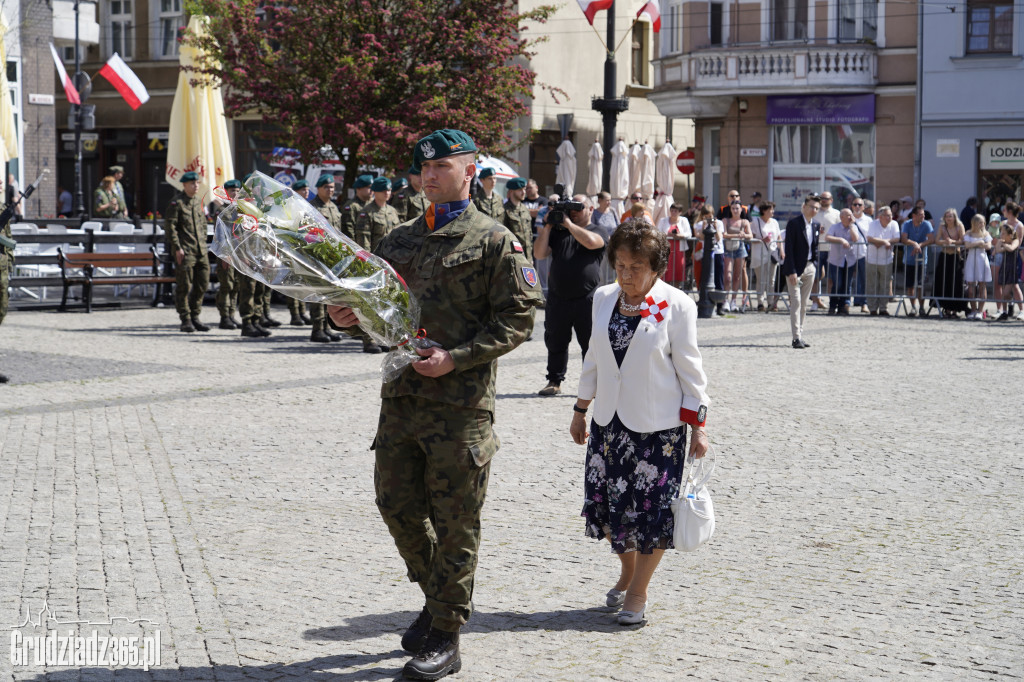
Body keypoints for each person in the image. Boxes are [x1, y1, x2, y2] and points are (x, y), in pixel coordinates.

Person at [326, 129, 542, 680]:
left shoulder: (495, 240)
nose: (428, 176)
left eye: (442, 166)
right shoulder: (397, 240)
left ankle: (446, 633)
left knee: (456, 521)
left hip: (461, 406)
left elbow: (518, 320)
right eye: (423, 168)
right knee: (395, 505)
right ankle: (440, 597)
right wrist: (344, 318)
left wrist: (458, 357)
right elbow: (375, 314)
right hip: (401, 399)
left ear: (469, 171)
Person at [570, 218, 710, 625]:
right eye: (620, 265)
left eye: (636, 267)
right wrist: (580, 409)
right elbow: (594, 358)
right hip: (608, 425)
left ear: (656, 267)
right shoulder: (603, 297)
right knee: (611, 511)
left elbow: (692, 373)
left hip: (657, 430)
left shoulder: (676, 305)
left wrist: (699, 425)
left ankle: (639, 590)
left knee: (651, 515)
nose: (626, 275)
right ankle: (627, 570)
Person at [534, 194, 606, 396]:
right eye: (571, 207)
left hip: (587, 298)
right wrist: (548, 226)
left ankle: (592, 384)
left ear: (591, 209)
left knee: (590, 344)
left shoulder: (597, 230)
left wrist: (568, 224)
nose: (573, 211)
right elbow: (539, 254)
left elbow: (593, 243)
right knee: (555, 341)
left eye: (579, 207)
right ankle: (554, 381)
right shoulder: (558, 232)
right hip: (558, 298)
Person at [165, 171, 210, 333]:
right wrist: (177, 247)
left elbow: (203, 224)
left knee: (203, 283)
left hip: (201, 250)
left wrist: (203, 241)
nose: (196, 186)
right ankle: (185, 319)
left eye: (197, 183)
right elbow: (170, 227)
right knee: (184, 285)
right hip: (185, 251)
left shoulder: (199, 201)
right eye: (192, 183)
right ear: (184, 185)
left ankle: (195, 315)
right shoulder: (176, 203)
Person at [307, 174, 347, 344]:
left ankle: (326, 327)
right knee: (319, 293)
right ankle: (317, 328)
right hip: (318, 257)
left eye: (332, 187)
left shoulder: (334, 207)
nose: (330, 190)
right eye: (327, 187)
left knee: (331, 294)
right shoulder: (311, 207)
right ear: (318, 188)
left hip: (333, 258)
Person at [782, 195, 822, 348]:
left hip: (810, 267)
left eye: (817, 208)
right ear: (804, 207)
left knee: (804, 303)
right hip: (795, 269)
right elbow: (789, 249)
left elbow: (815, 247)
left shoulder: (816, 225)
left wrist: (815, 264)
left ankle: (800, 335)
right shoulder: (794, 223)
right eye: (811, 207)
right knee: (796, 301)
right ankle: (795, 337)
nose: (814, 210)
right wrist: (791, 270)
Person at [213, 179, 243, 329]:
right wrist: (224, 254)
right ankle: (224, 317)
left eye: (238, 191)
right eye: (233, 191)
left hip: (238, 254)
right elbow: (219, 235)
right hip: (226, 254)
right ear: (226, 193)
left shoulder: (240, 210)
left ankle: (231, 314)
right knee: (226, 286)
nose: (236, 194)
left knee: (236, 285)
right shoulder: (222, 211)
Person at [864, 206, 900, 316]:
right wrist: (885, 242)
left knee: (885, 285)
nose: (890, 217)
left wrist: (883, 242)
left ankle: (883, 308)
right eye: (887, 215)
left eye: (890, 215)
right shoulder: (873, 224)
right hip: (872, 259)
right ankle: (872, 308)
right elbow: (870, 238)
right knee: (872, 284)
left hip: (887, 259)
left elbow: (897, 238)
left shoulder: (894, 224)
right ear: (880, 216)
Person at [900, 206, 935, 317]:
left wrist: (919, 245)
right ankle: (913, 307)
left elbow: (931, 239)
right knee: (910, 285)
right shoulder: (907, 224)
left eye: (924, 214)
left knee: (921, 285)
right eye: (921, 214)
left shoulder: (926, 224)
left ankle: (921, 307)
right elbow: (904, 238)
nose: (923, 216)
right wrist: (914, 243)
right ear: (914, 215)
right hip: (909, 259)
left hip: (921, 260)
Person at [933, 208, 969, 318]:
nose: (948, 218)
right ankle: (946, 309)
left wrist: (952, 242)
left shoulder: (960, 226)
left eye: (950, 216)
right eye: (947, 216)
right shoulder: (942, 227)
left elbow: (962, 241)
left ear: (954, 217)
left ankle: (955, 309)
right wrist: (945, 242)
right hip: (944, 256)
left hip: (956, 257)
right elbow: (937, 240)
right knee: (945, 281)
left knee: (957, 282)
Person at [824, 208, 860, 316]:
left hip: (849, 260)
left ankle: (843, 307)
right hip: (836, 260)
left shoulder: (853, 227)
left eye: (851, 215)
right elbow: (827, 237)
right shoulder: (835, 227)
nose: (850, 217)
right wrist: (841, 240)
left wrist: (851, 226)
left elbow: (855, 239)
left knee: (846, 285)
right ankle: (832, 306)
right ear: (841, 217)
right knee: (837, 284)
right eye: (848, 215)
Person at [693, 205, 725, 316]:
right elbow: (701, 237)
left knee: (719, 279)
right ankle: (703, 300)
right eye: (706, 217)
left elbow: (719, 237)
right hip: (704, 254)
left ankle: (720, 306)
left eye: (710, 216)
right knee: (704, 278)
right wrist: (704, 226)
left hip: (717, 253)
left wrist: (715, 226)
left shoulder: (719, 223)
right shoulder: (698, 224)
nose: (708, 219)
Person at [750, 201, 782, 311]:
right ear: (764, 211)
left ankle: (771, 302)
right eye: (770, 210)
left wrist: (781, 250)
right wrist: (761, 240)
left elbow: (778, 237)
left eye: (773, 209)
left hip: (772, 253)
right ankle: (760, 302)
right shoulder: (755, 222)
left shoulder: (774, 222)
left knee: (771, 279)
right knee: (761, 279)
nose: (772, 212)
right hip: (759, 254)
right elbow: (751, 238)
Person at [994, 203, 1024, 321]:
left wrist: (1004, 244)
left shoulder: (1019, 226)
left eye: (1005, 209)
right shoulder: (1003, 223)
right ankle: (1006, 310)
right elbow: (998, 243)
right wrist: (1001, 244)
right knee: (1004, 285)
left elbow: (1016, 245)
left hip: (1014, 259)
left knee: (1014, 286)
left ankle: (1021, 310)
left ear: (1010, 211)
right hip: (1004, 260)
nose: (1003, 211)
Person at [812, 191, 841, 311]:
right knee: (815, 277)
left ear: (831, 200)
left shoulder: (836, 213)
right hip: (817, 248)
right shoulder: (815, 211)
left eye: (826, 198)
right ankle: (815, 301)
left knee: (832, 278)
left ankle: (831, 303)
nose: (823, 200)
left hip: (832, 249)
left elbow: (840, 229)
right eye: (821, 198)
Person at [722, 200, 752, 312]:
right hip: (728, 248)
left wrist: (744, 235)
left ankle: (733, 301)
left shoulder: (744, 221)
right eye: (733, 208)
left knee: (737, 276)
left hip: (740, 248)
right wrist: (738, 235)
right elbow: (724, 234)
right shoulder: (725, 220)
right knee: (727, 276)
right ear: (730, 209)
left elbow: (749, 235)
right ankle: (725, 300)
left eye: (737, 208)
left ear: (741, 210)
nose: (735, 210)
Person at [963, 214, 993, 320]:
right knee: (971, 287)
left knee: (982, 286)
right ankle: (973, 310)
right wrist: (979, 242)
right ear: (975, 223)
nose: (982, 224)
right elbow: (967, 245)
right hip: (971, 260)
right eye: (980, 222)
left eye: (983, 222)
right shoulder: (968, 233)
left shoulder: (986, 233)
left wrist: (979, 244)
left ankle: (980, 311)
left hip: (982, 259)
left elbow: (988, 246)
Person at [657, 203, 691, 288]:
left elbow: (688, 234)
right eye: (672, 210)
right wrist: (668, 234)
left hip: (679, 251)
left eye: (675, 211)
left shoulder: (684, 220)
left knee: (678, 272)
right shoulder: (663, 220)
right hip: (667, 250)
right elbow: (658, 233)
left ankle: (676, 289)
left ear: (680, 212)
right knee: (666, 271)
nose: (673, 213)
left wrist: (680, 235)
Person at [850, 198, 872, 312]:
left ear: (864, 207)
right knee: (848, 280)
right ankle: (846, 303)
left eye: (860, 205)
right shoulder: (848, 218)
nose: (857, 206)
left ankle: (864, 303)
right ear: (852, 206)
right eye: (855, 204)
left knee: (864, 279)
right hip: (849, 254)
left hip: (864, 253)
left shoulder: (868, 220)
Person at [502, 177, 533, 254]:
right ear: (511, 191)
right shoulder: (503, 210)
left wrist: (530, 257)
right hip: (512, 256)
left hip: (527, 257)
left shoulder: (525, 209)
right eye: (520, 190)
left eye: (524, 189)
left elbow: (529, 234)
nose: (523, 192)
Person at [0, 189, 12, 383]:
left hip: (1, 268)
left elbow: (8, 240)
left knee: (1, 309)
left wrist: (9, 262)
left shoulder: (3, 210)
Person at [340, 174, 373, 239]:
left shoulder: (372, 204)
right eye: (369, 187)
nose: (372, 190)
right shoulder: (351, 206)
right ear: (359, 188)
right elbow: (348, 230)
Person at [988, 212, 1007, 319]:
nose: (995, 223)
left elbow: (1007, 241)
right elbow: (991, 241)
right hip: (995, 257)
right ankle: (1000, 309)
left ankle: (1008, 308)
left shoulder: (1006, 227)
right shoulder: (989, 229)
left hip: (1005, 256)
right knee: (997, 284)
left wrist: (998, 244)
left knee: (1007, 284)